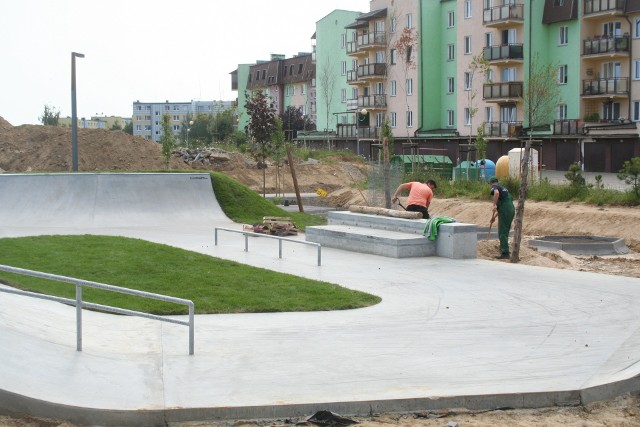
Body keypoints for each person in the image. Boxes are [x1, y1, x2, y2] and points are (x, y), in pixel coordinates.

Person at [488, 176, 515, 260]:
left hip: (505, 210)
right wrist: (494, 217)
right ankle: (504, 247)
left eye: (489, 184)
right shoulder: (504, 189)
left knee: (502, 232)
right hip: (510, 210)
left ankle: (505, 252)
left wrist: (494, 204)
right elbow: (503, 206)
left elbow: (496, 193)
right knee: (505, 230)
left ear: (491, 183)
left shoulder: (495, 187)